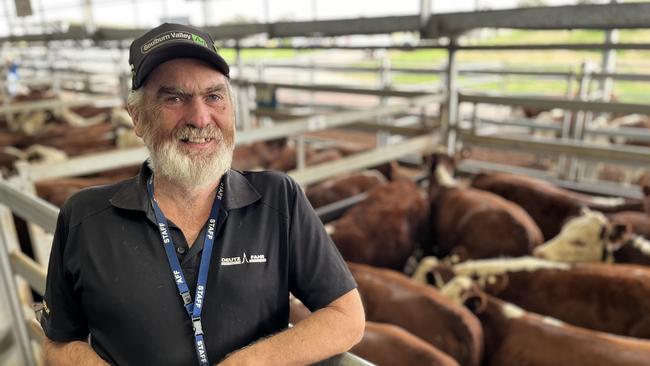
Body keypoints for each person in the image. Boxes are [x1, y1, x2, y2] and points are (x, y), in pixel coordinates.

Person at [40, 23, 365, 366]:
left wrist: (249, 363)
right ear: (137, 117)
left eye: (213, 96)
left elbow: (347, 317)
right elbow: (57, 342)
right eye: (174, 98)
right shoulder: (85, 217)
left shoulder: (277, 199)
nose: (199, 117)